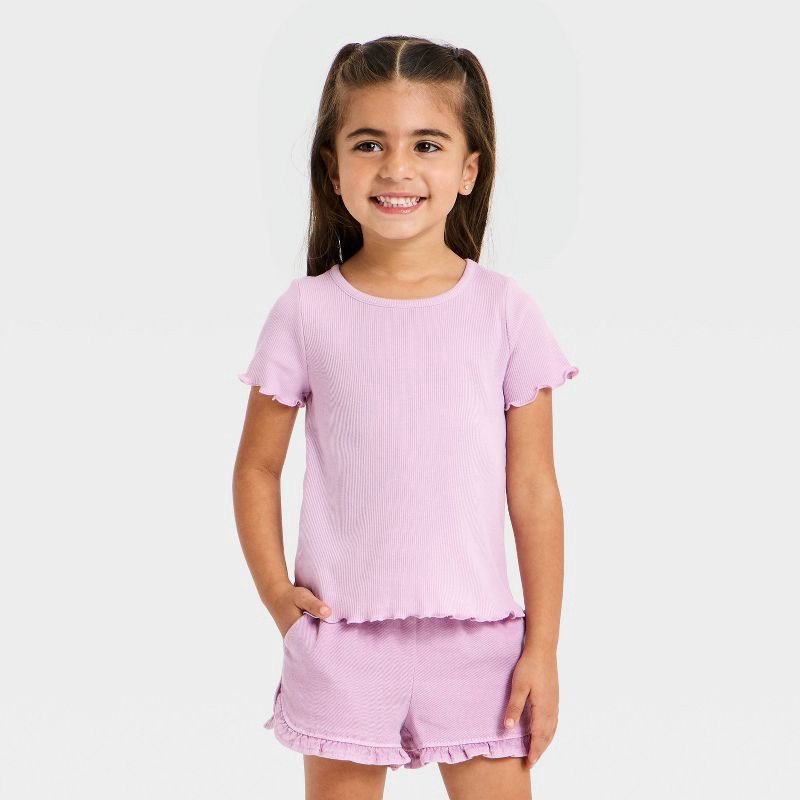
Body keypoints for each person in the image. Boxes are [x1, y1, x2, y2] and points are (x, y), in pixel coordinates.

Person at [232, 35, 579, 800]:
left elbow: (533, 487)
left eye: (426, 144)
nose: (396, 167)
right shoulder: (306, 313)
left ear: (468, 170)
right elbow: (257, 466)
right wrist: (277, 597)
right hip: (342, 644)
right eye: (369, 143)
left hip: (482, 648)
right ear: (334, 168)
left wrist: (544, 646)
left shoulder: (506, 312)